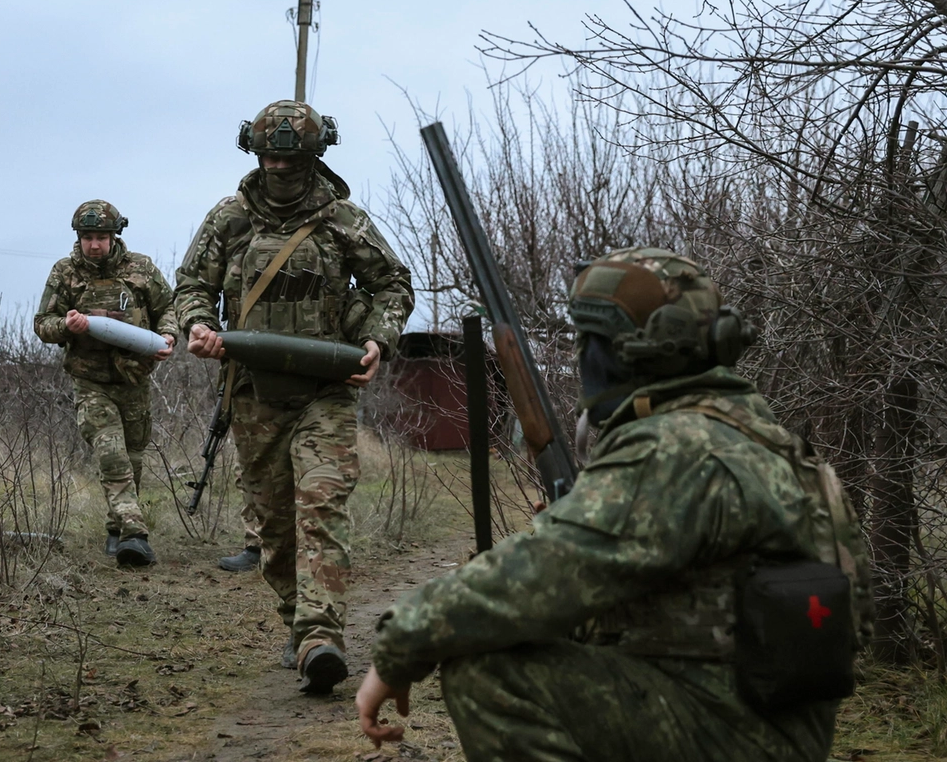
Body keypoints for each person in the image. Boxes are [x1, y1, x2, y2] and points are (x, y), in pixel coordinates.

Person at [357, 247, 874, 761]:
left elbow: (540, 577)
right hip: (771, 727)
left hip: (733, 732)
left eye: (593, 340)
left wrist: (401, 644)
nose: (584, 356)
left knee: (490, 671)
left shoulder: (678, 448)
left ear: (639, 350)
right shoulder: (766, 441)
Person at [175, 100, 414, 694]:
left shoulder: (343, 220)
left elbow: (392, 284)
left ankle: (319, 636)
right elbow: (191, 287)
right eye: (268, 156)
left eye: (290, 157)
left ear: (314, 157)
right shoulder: (229, 219)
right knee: (276, 530)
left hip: (325, 392)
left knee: (322, 503)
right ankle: (297, 622)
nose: (278, 167)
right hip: (255, 394)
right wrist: (199, 326)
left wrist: (378, 339)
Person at [34, 200, 178, 568]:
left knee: (132, 457)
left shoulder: (141, 269)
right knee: (111, 452)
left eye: (101, 237)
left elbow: (168, 309)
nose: (94, 245)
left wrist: (166, 336)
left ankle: (116, 528)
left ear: (115, 237)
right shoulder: (64, 273)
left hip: (134, 379)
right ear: (78, 238)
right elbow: (42, 324)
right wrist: (67, 325)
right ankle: (135, 535)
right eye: (87, 237)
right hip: (90, 382)